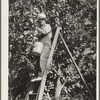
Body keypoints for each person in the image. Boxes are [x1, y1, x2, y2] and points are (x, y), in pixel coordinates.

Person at [31, 13, 52, 82]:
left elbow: (45, 32)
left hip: (46, 45)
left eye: (42, 20)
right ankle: (36, 75)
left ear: (45, 20)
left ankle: (41, 75)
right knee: (36, 60)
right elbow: (35, 36)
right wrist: (34, 35)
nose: (41, 21)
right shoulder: (39, 28)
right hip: (40, 46)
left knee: (42, 58)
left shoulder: (47, 26)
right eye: (40, 20)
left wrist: (36, 28)